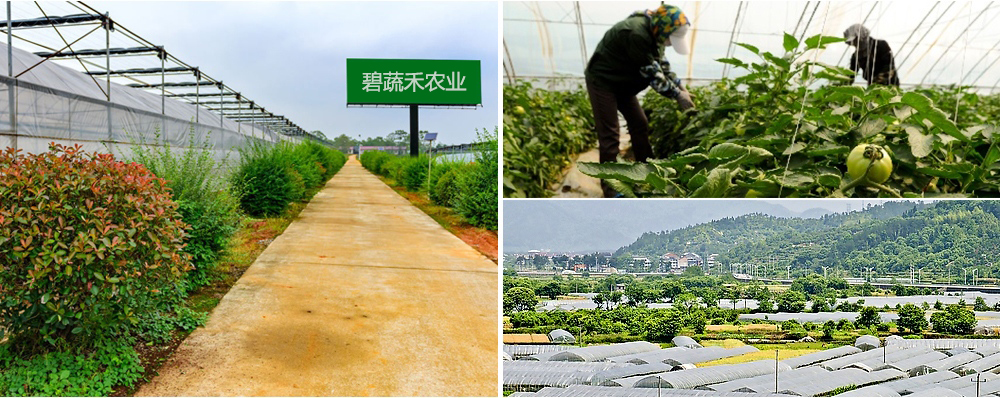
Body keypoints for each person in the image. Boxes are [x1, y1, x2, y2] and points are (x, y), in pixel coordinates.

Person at [584, 3, 696, 198]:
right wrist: (678, 96)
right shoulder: (636, 33)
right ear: (663, 28)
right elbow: (653, 75)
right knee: (610, 135)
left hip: (623, 83)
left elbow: (661, 63)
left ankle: (647, 170)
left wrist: (679, 85)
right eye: (671, 38)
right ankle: (612, 190)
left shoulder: (656, 31)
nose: (670, 43)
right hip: (603, 81)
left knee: (639, 123)